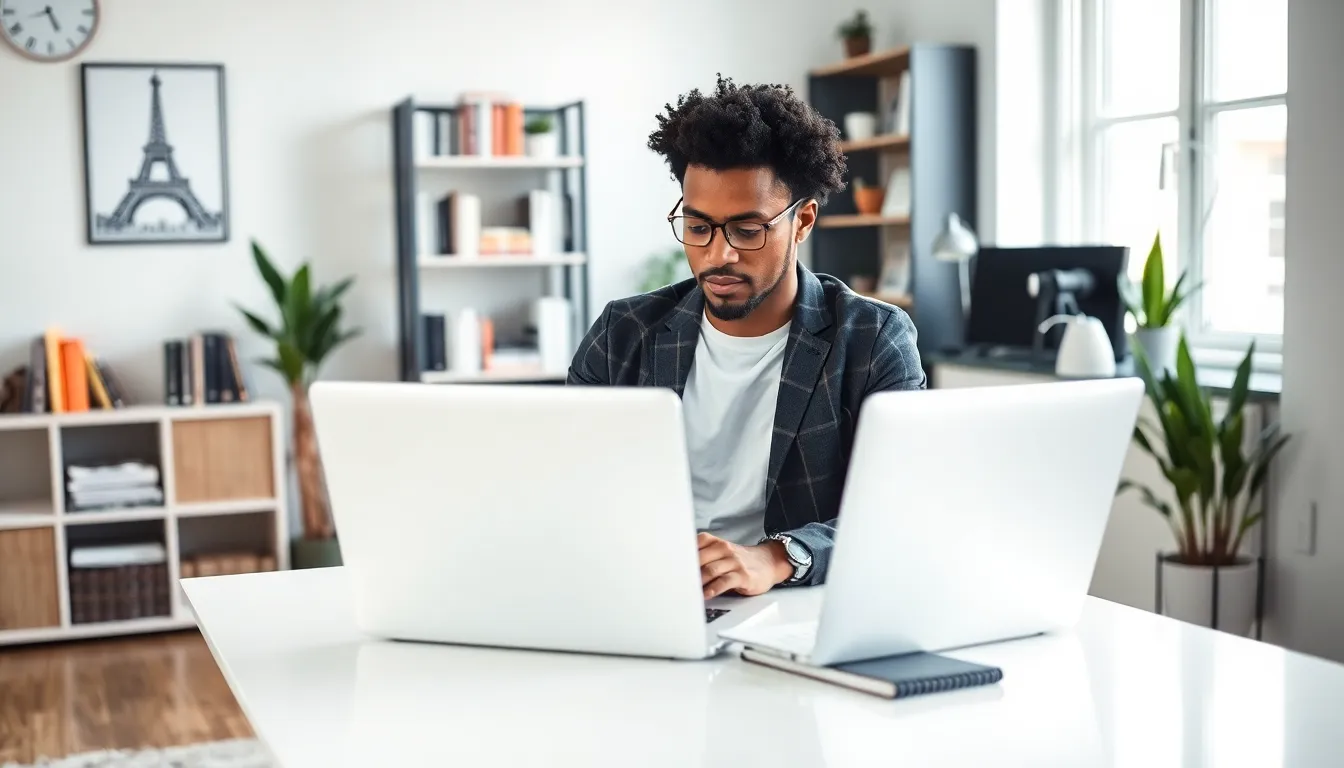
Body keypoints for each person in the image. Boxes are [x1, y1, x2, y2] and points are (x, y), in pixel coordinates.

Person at [567, 75, 925, 600]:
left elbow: (903, 509)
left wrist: (778, 557)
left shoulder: (872, 339)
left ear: (802, 221)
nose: (719, 255)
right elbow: (568, 486)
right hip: (638, 592)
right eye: (698, 227)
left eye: (748, 230)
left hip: (794, 607)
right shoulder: (624, 334)